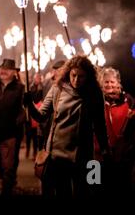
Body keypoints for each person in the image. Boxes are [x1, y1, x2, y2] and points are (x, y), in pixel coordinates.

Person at [24, 55, 110, 197]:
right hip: (57, 154)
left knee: (83, 192)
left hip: (83, 155)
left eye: (81, 76)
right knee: (62, 193)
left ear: (88, 76)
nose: (76, 80)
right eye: (73, 75)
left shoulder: (94, 93)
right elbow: (41, 116)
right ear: (68, 72)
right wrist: (30, 105)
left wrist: (105, 149)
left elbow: (100, 124)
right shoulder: (57, 89)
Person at [97, 67, 135, 193]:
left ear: (118, 83)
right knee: (94, 186)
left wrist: (134, 117)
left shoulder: (128, 100)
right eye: (106, 82)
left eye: (112, 81)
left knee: (120, 187)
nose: (109, 85)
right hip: (96, 156)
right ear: (101, 84)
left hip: (123, 156)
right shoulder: (96, 101)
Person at [0, 58, 26, 195]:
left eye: (7, 69)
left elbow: (22, 110)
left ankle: (6, 191)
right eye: (2, 68)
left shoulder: (20, 88)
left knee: (7, 168)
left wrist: (17, 125)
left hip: (9, 134)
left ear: (14, 72)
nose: (3, 71)